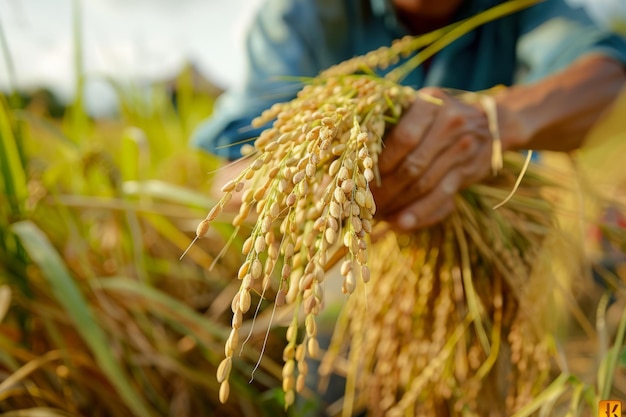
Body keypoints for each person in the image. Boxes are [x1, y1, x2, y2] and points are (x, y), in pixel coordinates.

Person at [191, 0, 626, 232]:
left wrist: (493, 123)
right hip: (353, 258)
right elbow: (230, 177)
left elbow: (609, 82)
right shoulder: (301, 13)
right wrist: (332, 183)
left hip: (502, 233)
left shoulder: (522, 7)